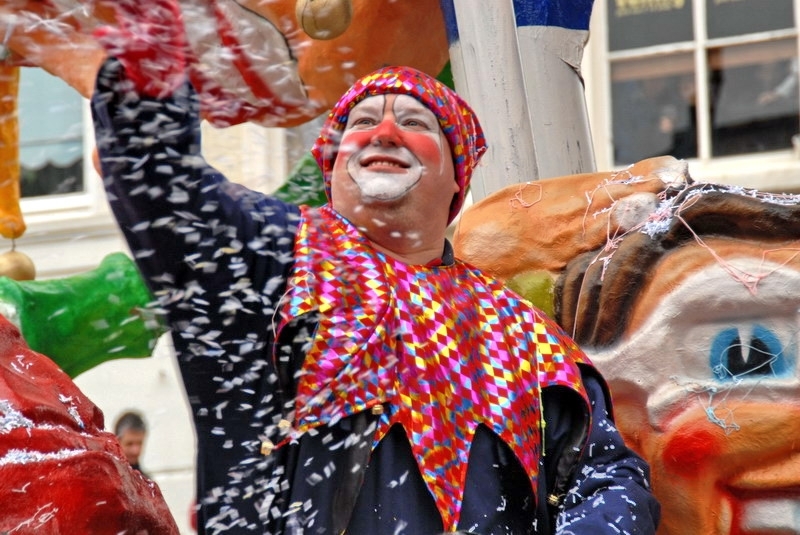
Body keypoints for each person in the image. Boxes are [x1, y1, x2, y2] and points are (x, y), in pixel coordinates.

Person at [90, 1, 661, 533]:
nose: (383, 132)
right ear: (333, 167)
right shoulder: (272, 255)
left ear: (456, 178)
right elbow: (159, 181)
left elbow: (609, 478)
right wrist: (151, 45)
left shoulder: (522, 332)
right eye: (361, 122)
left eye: (414, 122)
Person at [114, 410, 150, 478]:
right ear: (117, 442)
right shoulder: (107, 477)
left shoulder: (146, 482)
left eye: (140, 443)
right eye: (129, 444)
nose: (135, 451)